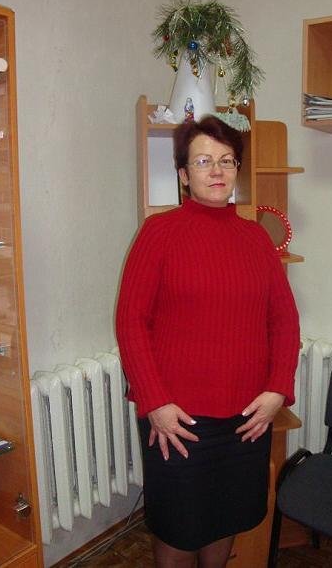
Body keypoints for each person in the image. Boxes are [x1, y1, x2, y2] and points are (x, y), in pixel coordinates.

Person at [115, 115, 300, 568]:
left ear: (236, 169)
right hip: (177, 421)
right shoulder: (159, 233)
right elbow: (130, 322)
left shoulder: (256, 238)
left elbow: (284, 319)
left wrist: (278, 389)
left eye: (226, 160)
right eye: (203, 161)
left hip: (246, 419)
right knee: (178, 531)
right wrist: (155, 402)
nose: (216, 170)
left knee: (225, 519)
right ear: (184, 175)